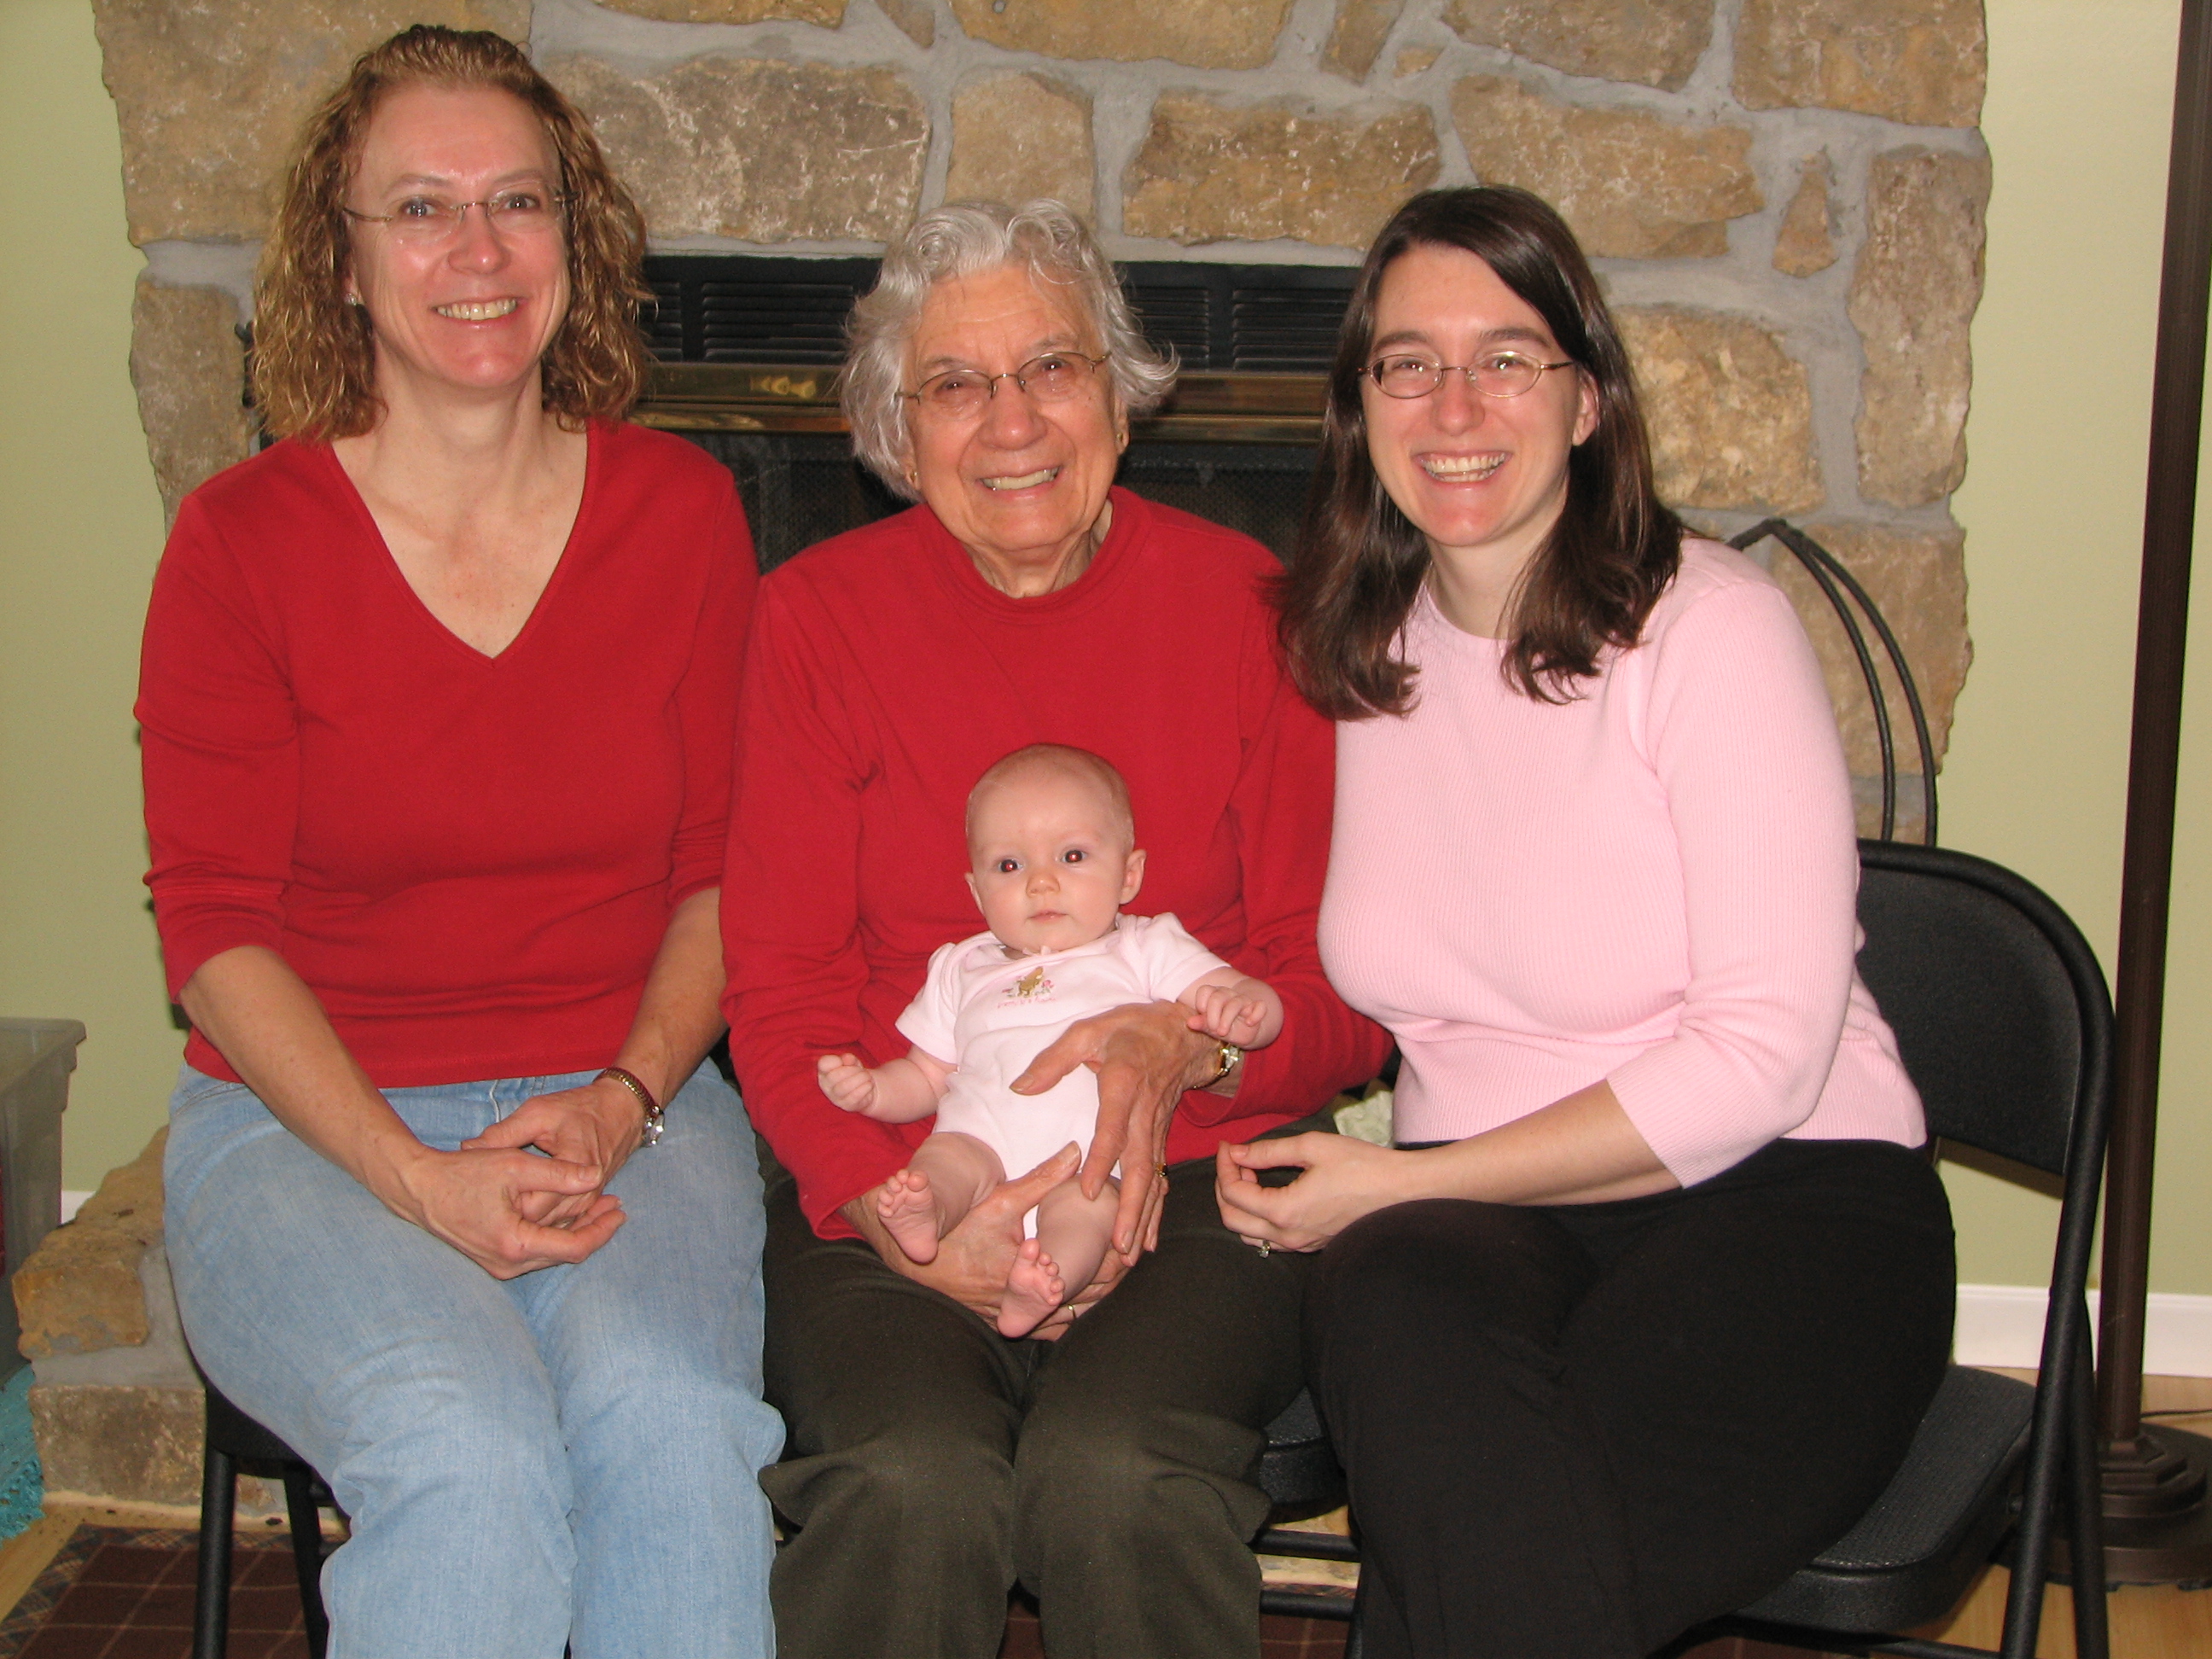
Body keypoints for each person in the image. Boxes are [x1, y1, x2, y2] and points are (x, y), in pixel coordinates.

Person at [1220, 186, 1957, 1659]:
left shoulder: (1708, 628)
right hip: (1465, 1220)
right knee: (1423, 1383)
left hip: (1783, 1195)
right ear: (1357, 405)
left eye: (1508, 355)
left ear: (1586, 401)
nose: (1454, 403)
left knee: (1485, 1561)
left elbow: (1760, 1054)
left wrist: (1400, 1181)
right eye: (1406, 361)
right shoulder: (1345, 655)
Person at [139, 26, 780, 1658]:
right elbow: (213, 933)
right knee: (464, 1444)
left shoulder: (682, 512)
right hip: (311, 1131)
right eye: (419, 208)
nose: (478, 252)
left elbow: (723, 869)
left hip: (621, 1098)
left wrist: (632, 1093)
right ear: (339, 263)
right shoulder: (240, 544)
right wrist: (416, 1176)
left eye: (518, 201)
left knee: (675, 1423)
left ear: (579, 238)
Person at [723, 200, 1390, 1659]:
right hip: (906, 1165)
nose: (1010, 422)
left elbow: (1343, 999)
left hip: (1209, 1189)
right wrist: (890, 1216)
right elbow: (774, 997)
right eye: (956, 385)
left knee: (1118, 1475)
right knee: (908, 1473)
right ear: (897, 430)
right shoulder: (813, 620)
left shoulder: (1258, 611)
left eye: (1051, 368)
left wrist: (1183, 1056)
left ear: (1119, 389)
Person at [818, 742, 1284, 1337]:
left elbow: (1244, 1000)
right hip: (978, 1142)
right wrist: (872, 1091)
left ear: (1129, 873)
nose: (1041, 884)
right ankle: (924, 1215)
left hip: (1089, 1159)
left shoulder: (1142, 946)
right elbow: (926, 1076)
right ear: (976, 892)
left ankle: (1043, 1283)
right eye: (1009, 866)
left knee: (1089, 1212)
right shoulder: (961, 967)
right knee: (939, 1164)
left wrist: (1247, 1009)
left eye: (1072, 856)